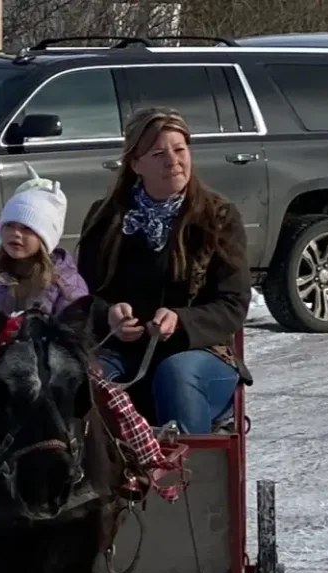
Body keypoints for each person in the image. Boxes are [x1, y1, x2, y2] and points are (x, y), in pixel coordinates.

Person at [76, 106, 252, 434]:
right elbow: (80, 296)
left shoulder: (218, 218)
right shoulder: (106, 219)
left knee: (176, 374)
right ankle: (97, 480)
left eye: (180, 149)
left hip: (198, 355)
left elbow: (234, 304)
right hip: (121, 352)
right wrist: (108, 316)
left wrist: (181, 320)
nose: (173, 160)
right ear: (135, 164)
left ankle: (188, 481)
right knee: (84, 379)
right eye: (158, 153)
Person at [0, 170, 88, 333]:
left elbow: (76, 336)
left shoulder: (66, 283)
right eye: (9, 225)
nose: (16, 233)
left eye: (27, 228)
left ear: (44, 237)